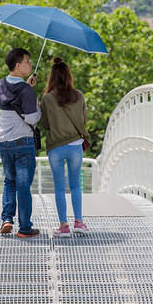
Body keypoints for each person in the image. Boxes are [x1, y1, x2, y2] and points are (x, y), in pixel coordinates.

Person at [38, 57, 92, 237]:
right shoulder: (79, 95)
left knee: (60, 187)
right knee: (75, 185)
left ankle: (63, 227)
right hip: (75, 145)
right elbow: (83, 121)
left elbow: (44, 125)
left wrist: (40, 108)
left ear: (51, 77)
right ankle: (79, 222)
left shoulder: (47, 98)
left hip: (56, 147)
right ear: (69, 76)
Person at [0, 47, 42, 238]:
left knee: (9, 181)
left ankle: (7, 219)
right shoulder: (26, 91)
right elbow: (31, 118)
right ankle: (24, 229)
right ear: (18, 65)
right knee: (23, 186)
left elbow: (13, 98)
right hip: (23, 142)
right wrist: (37, 106)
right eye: (27, 61)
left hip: (4, 142)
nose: (30, 64)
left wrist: (27, 88)